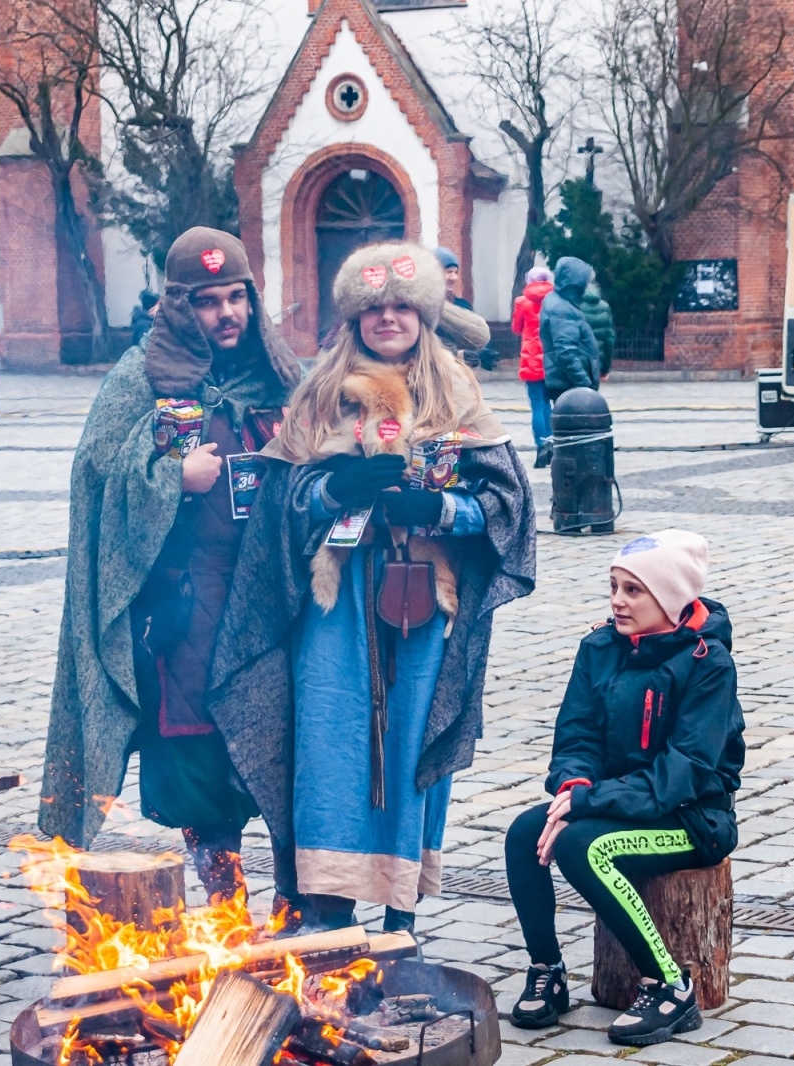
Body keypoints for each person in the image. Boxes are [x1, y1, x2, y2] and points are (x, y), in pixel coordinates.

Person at [258, 242, 536, 934]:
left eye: (401, 307)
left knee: (412, 739)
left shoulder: (456, 392)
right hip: (337, 596)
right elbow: (278, 503)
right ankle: (330, 905)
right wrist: (330, 490)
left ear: (422, 314)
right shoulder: (318, 393)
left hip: (424, 597)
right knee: (330, 738)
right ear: (354, 316)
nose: (387, 318)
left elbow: (509, 504)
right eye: (373, 307)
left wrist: (443, 511)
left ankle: (400, 916)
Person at [41, 228, 306, 910]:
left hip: (274, 604)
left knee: (282, 750)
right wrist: (167, 477)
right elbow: (95, 476)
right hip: (186, 610)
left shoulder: (283, 379)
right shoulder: (140, 379)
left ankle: (296, 905)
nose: (227, 314)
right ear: (179, 307)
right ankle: (226, 903)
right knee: (199, 762)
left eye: (237, 297)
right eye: (209, 301)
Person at [505, 530, 742, 1047]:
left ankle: (670, 987)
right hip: (618, 802)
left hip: (693, 818)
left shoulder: (708, 664)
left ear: (671, 599)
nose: (617, 600)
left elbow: (684, 772)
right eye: (613, 585)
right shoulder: (598, 648)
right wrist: (575, 788)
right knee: (526, 832)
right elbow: (576, 736)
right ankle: (547, 969)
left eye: (633, 590)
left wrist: (588, 804)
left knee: (583, 846)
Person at [512, 266, 554, 468]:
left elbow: (516, 328)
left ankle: (541, 445)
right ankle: (552, 442)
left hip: (530, 359)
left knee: (537, 404)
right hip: (551, 358)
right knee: (549, 403)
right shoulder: (554, 300)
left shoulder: (522, 302)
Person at [542, 257, 602, 399]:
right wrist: (585, 384)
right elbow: (566, 353)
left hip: (567, 383)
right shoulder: (562, 308)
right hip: (569, 385)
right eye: (587, 281)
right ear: (576, 282)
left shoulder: (563, 303)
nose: (589, 285)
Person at [430, 246, 493, 360]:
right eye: (448, 272)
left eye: (456, 272)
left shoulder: (462, 305)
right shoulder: (422, 308)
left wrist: (480, 353)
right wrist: (459, 354)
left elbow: (475, 336)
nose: (453, 278)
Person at [582, 281, 618, 379]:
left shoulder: (572, 305)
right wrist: (606, 368)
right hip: (596, 363)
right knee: (591, 393)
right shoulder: (604, 306)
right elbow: (609, 340)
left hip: (575, 362)